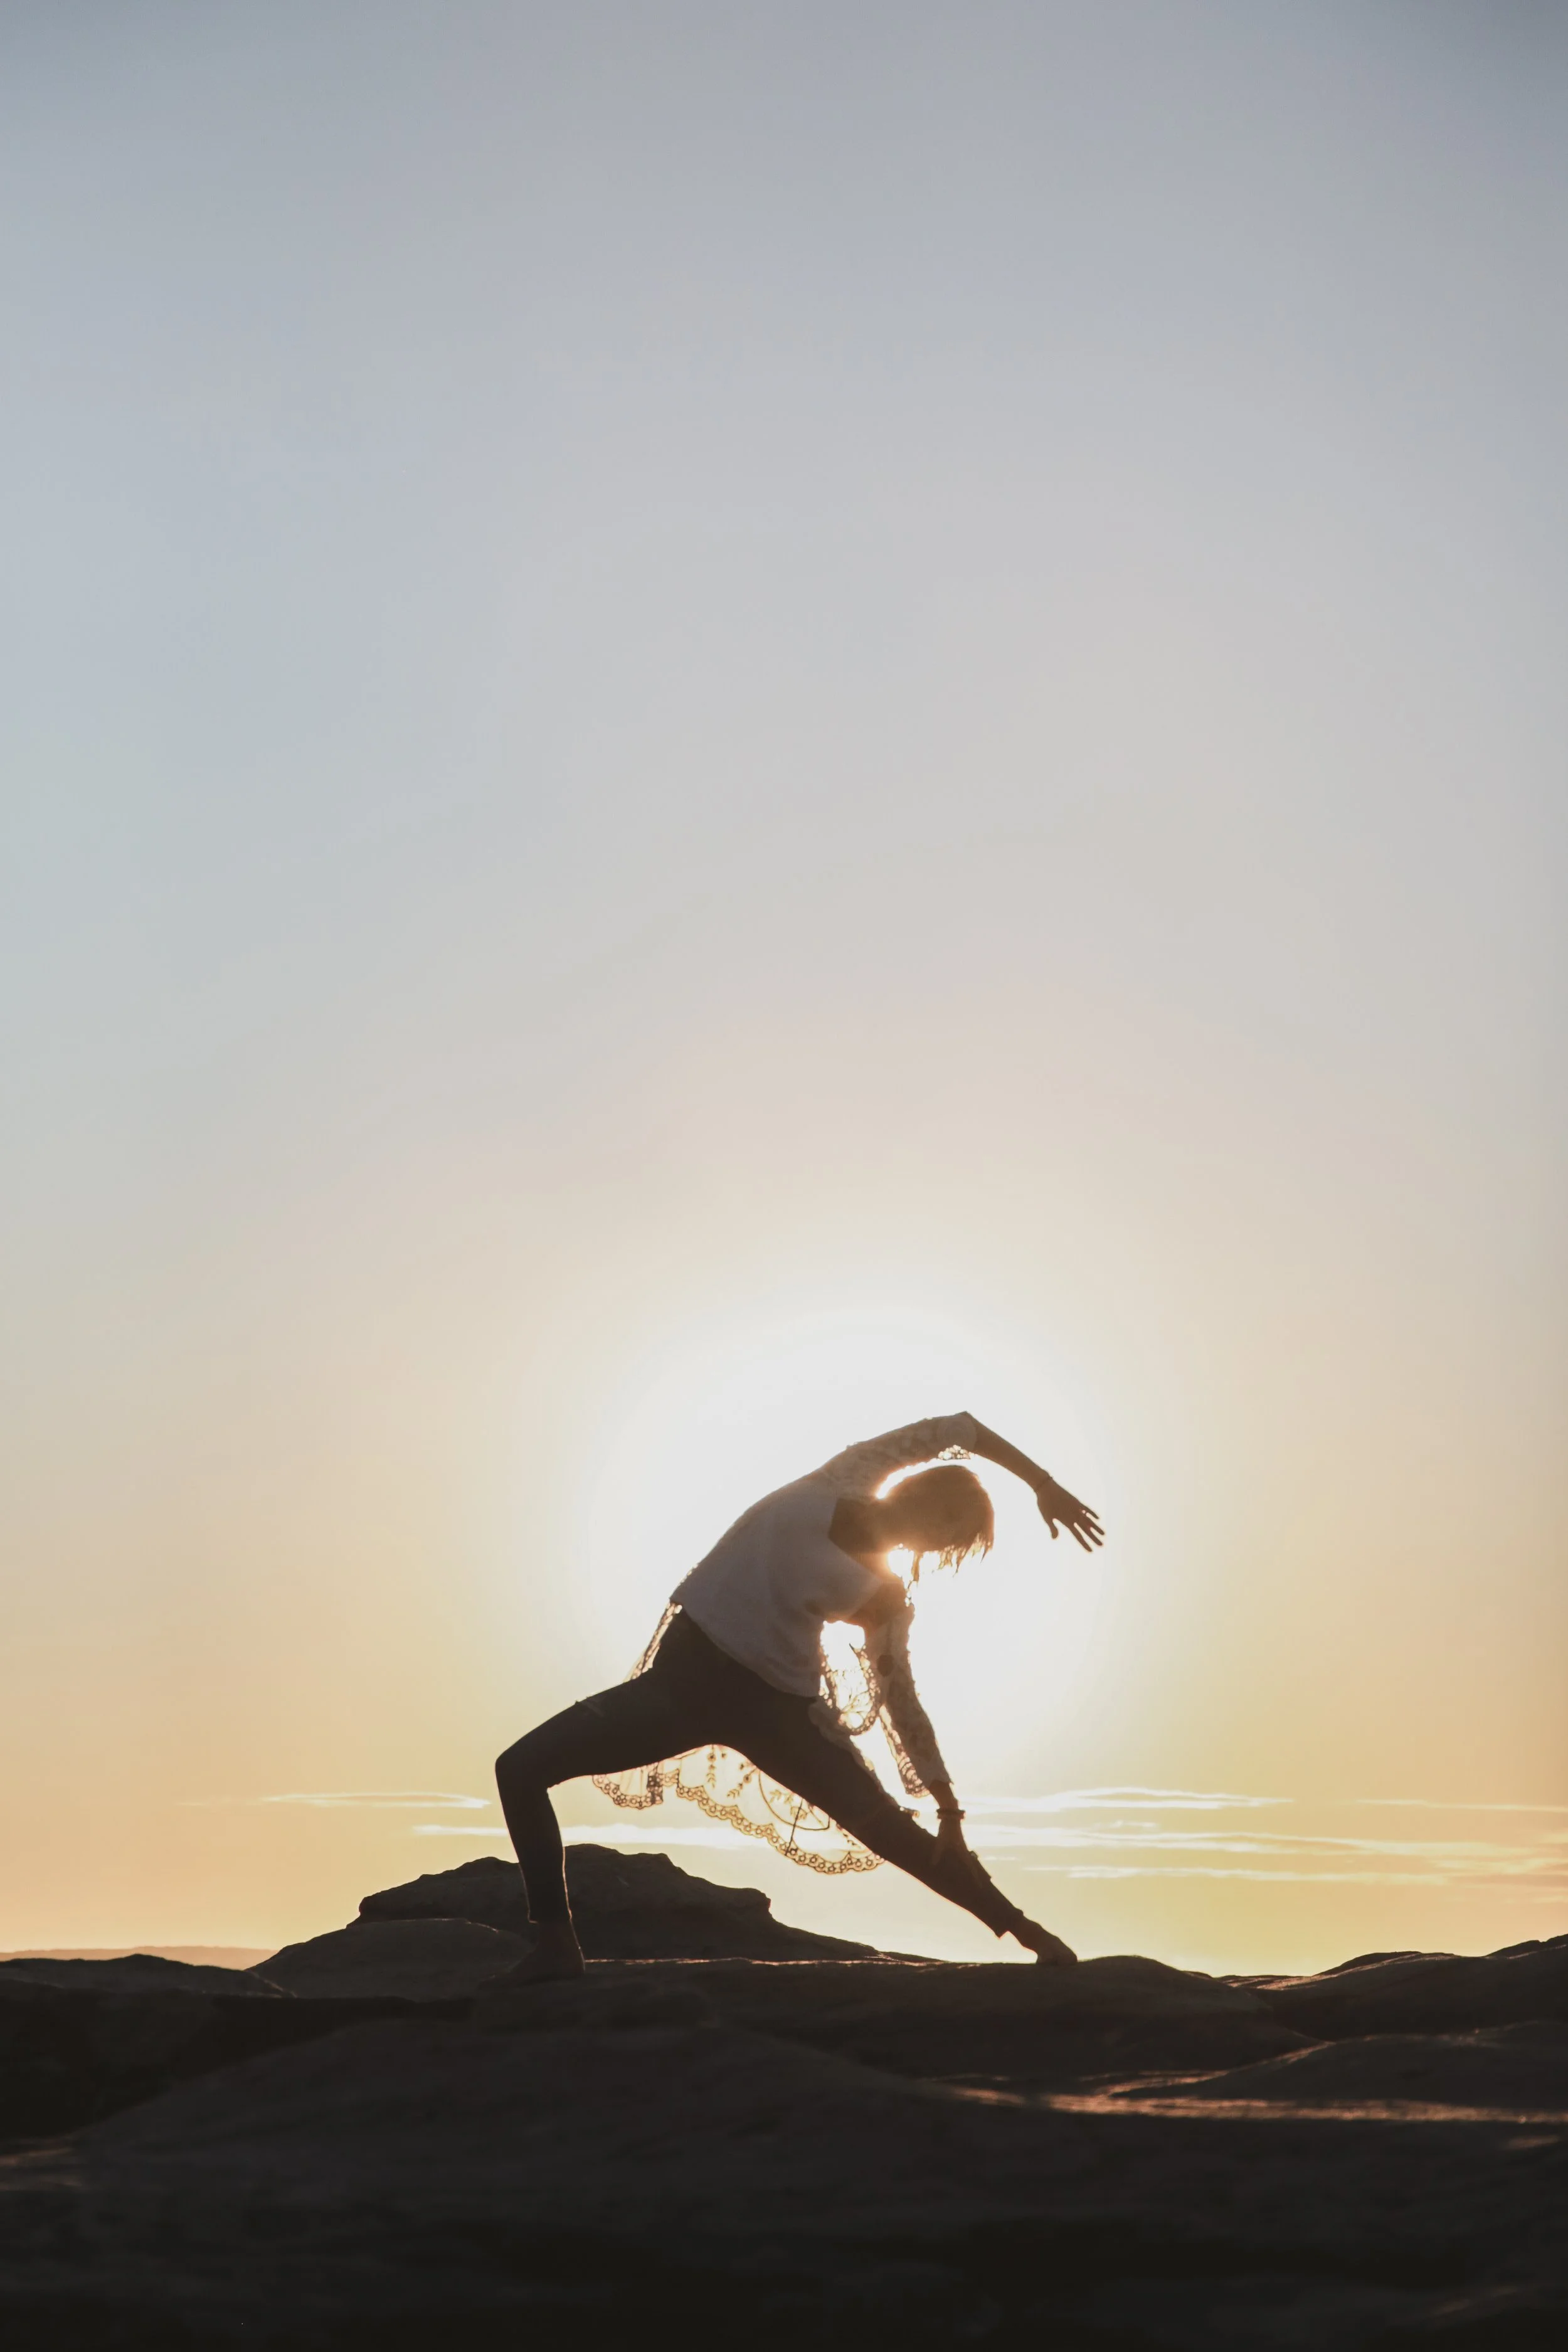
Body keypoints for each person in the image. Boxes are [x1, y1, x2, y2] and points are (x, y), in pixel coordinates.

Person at [494, 1411, 1103, 1983]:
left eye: (955, 1539)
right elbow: (962, 1428)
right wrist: (1041, 1484)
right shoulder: (849, 1475)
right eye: (951, 1523)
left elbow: (901, 1702)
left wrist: (946, 1808)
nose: (943, 1540)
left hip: (775, 1713)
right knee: (520, 1769)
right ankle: (556, 1944)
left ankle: (1027, 1932)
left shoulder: (885, 1596)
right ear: (922, 1489)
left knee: (887, 1830)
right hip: (682, 1684)